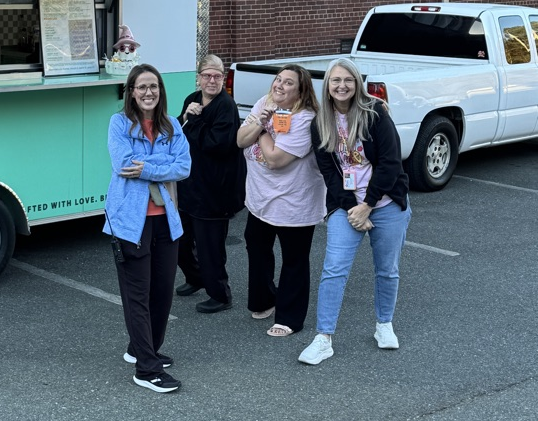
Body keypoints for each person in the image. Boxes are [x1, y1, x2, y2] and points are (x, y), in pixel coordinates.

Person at [298, 58, 412, 366]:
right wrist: (353, 209)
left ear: (356, 84)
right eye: (335, 80)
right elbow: (329, 173)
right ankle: (323, 338)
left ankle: (384, 324)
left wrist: (369, 205)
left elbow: (391, 163)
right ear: (328, 86)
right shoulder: (320, 122)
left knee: (387, 269)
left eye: (348, 80)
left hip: (386, 204)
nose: (342, 86)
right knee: (333, 269)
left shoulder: (375, 114)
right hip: (347, 207)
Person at [104, 63, 191, 393]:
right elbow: (123, 165)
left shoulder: (171, 125)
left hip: (166, 220)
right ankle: (147, 369)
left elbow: (184, 166)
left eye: (153, 86)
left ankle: (142, 349)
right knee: (138, 296)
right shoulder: (119, 124)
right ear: (131, 91)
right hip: (130, 222)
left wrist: (149, 167)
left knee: (162, 292)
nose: (148, 92)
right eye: (141, 87)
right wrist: (162, 168)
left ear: (161, 91)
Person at [236, 65, 326, 337]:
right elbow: (240, 140)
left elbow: (275, 159)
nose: (280, 86)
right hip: (260, 199)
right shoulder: (264, 103)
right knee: (257, 247)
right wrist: (261, 121)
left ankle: (290, 318)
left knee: (294, 260)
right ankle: (264, 300)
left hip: (294, 202)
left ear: (301, 91)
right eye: (278, 80)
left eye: (288, 83)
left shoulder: (306, 119)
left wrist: (261, 129)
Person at [175, 54, 246, 314]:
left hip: (216, 190)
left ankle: (220, 294)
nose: (212, 80)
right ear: (199, 77)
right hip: (189, 184)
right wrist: (185, 115)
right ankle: (195, 278)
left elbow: (217, 144)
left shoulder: (226, 106)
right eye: (207, 75)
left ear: (223, 78)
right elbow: (178, 132)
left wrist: (194, 121)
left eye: (217, 75)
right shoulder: (192, 100)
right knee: (180, 241)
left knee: (210, 248)